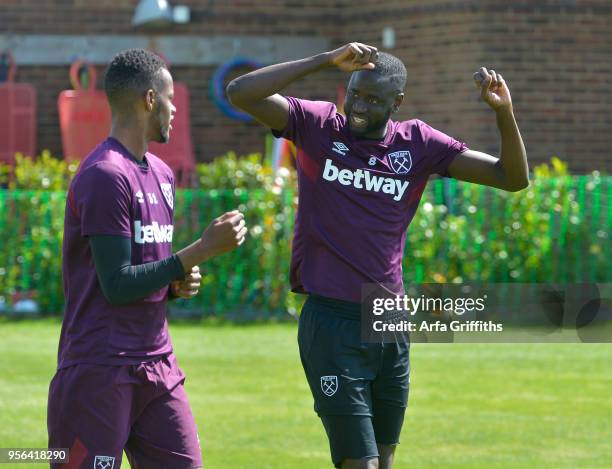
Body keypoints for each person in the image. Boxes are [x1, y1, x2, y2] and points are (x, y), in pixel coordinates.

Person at [227, 42, 528, 469]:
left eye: (372, 99)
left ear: (397, 102)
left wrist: (503, 113)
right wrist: (323, 60)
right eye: (355, 94)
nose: (359, 107)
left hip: (389, 320)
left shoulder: (419, 143)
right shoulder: (317, 126)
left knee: (384, 460)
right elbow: (240, 92)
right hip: (331, 322)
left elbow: (512, 178)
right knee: (361, 464)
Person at [48, 48, 248, 469]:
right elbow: (117, 285)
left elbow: (146, 270)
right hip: (101, 369)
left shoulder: (162, 174)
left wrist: (176, 283)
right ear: (150, 100)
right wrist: (201, 250)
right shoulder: (105, 175)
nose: (176, 109)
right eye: (171, 98)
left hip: (158, 365)